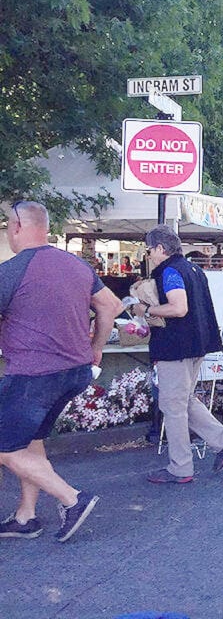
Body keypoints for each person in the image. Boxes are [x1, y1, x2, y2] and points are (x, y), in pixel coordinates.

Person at [0, 201, 122, 542]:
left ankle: (72, 498)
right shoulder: (77, 266)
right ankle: (25, 517)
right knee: (30, 439)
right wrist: (96, 347)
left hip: (33, 374)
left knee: (5, 447)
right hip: (76, 371)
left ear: (17, 227)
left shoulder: (11, 270)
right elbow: (111, 306)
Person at [134, 224, 223, 484]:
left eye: (149, 250)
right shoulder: (192, 268)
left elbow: (178, 308)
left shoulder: (169, 270)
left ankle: (180, 467)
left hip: (176, 346)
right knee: (183, 400)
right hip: (197, 344)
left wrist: (146, 310)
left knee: (173, 406)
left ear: (160, 248)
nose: (148, 255)